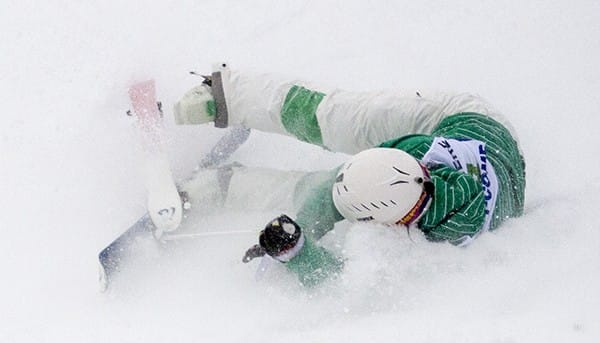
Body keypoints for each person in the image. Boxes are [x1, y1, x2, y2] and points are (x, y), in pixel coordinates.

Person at [173, 63, 526, 287]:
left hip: (496, 161)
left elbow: (345, 284)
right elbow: (331, 193)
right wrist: (304, 230)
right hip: (465, 119)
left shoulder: (430, 245)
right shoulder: (411, 155)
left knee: (307, 188)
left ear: (393, 221)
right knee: (341, 121)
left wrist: (296, 251)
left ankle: (225, 186)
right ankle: (230, 94)